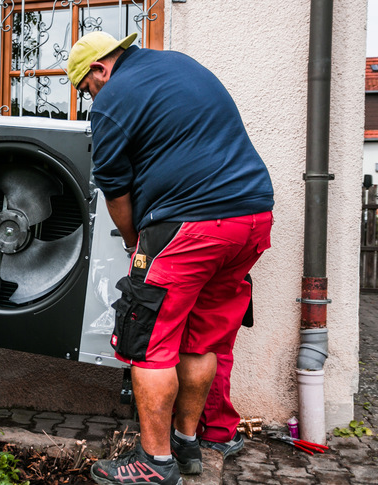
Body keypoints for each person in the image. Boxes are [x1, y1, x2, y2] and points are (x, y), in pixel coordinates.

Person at [66, 32, 273, 485]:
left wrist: (132, 241)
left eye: (86, 88)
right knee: (200, 341)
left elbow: (115, 188)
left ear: (100, 69)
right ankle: (186, 441)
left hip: (192, 225)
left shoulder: (112, 97)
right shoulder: (179, 63)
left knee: (148, 345)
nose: (89, 99)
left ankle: (154, 463)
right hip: (252, 218)